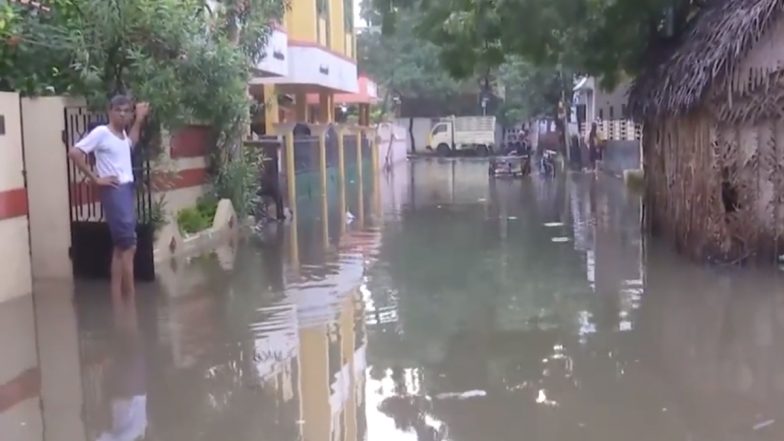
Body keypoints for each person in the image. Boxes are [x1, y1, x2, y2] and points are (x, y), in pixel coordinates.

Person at [69, 95, 150, 299]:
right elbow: (75, 153)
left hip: (126, 188)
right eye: (118, 110)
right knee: (129, 246)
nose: (122, 114)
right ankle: (130, 299)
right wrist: (96, 179)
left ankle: (116, 297)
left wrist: (139, 120)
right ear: (109, 111)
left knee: (120, 246)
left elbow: (130, 144)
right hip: (115, 190)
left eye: (126, 111)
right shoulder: (101, 133)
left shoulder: (122, 134)